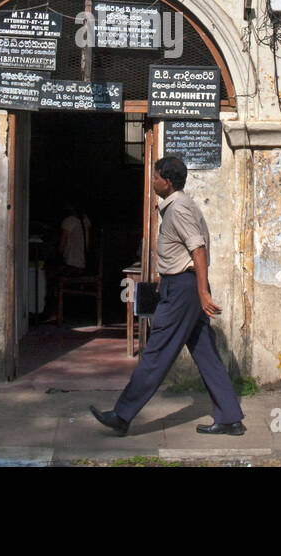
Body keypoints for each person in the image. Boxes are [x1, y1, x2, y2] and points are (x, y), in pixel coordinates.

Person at [90, 154, 245, 436]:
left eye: (157, 177)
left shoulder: (179, 210)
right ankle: (230, 417)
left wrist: (201, 292)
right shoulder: (178, 206)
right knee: (206, 352)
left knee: (156, 351)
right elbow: (182, 251)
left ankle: (123, 415)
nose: (153, 181)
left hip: (185, 290)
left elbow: (197, 249)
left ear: (168, 182)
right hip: (181, 285)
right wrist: (166, 278)